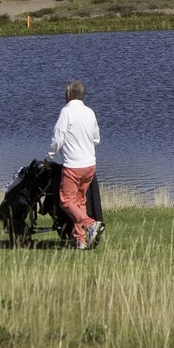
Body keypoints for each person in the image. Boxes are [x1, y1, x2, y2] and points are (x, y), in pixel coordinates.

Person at [48, 79, 101, 248]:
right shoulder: (90, 112)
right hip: (90, 165)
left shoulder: (66, 112)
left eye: (65, 93)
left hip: (73, 166)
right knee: (79, 202)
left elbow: (58, 139)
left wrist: (49, 157)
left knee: (66, 201)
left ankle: (90, 224)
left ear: (69, 94)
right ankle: (80, 240)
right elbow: (96, 139)